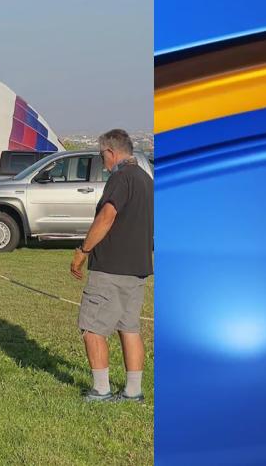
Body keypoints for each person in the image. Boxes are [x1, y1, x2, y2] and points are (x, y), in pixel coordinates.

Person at [71, 129, 153, 402]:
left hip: (111, 268)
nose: (102, 161)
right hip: (138, 266)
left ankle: (101, 389)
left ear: (111, 152)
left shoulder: (121, 178)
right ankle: (133, 390)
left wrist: (84, 250)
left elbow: (107, 216)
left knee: (92, 327)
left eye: (101, 155)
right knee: (128, 328)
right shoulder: (145, 178)